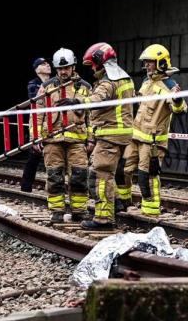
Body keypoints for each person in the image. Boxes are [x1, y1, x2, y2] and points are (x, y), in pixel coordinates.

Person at [57, 43, 136, 229]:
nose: (92, 68)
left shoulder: (108, 81)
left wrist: (76, 101)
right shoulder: (126, 78)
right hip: (121, 134)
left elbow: (97, 99)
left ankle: (103, 219)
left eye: (93, 64)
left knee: (101, 176)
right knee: (103, 175)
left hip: (109, 136)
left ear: (101, 61)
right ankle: (115, 205)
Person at [123, 44, 186, 217]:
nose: (146, 66)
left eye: (150, 62)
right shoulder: (146, 82)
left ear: (161, 63)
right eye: (146, 63)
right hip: (135, 136)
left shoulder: (169, 85)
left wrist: (177, 99)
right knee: (123, 170)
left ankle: (150, 213)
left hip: (152, 142)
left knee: (147, 176)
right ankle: (123, 204)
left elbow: (180, 109)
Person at [37, 48, 91, 223]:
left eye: (66, 68)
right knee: (54, 176)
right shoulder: (46, 87)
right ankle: (57, 211)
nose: (63, 71)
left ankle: (79, 211)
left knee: (79, 176)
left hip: (77, 139)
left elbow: (92, 115)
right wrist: (36, 137)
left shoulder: (85, 87)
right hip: (52, 139)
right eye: (60, 69)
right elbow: (37, 113)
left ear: (73, 66)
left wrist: (91, 138)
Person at [20, 57, 51, 192]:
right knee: (34, 156)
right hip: (38, 122)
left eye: (47, 63)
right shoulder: (33, 84)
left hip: (52, 123)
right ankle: (26, 187)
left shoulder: (55, 82)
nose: (48, 65)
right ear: (37, 69)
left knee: (54, 157)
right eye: (44, 64)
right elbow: (35, 100)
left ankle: (52, 188)